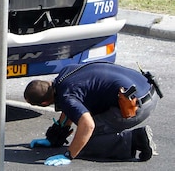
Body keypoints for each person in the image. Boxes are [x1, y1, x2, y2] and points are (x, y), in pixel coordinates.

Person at [24, 61, 160, 165]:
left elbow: (87, 125)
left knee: (85, 141)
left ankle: (137, 139)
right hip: (148, 89)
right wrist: (54, 139)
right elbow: (70, 110)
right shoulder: (65, 73)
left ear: (44, 103)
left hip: (135, 106)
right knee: (83, 131)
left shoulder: (66, 96)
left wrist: (69, 155)